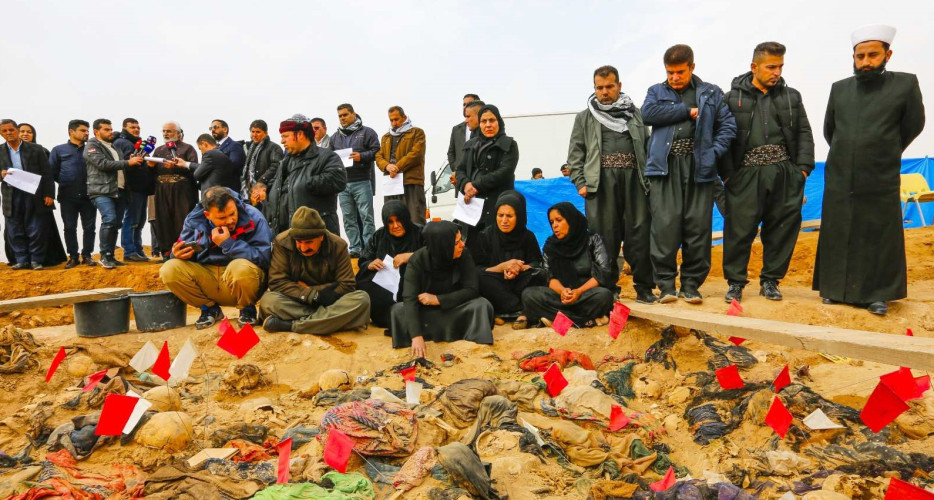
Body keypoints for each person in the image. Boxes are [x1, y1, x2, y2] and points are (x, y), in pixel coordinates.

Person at [813, 25, 926, 316]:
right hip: (840, 173)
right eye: (860, 56)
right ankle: (835, 289)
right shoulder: (840, 88)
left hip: (880, 173)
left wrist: (885, 149)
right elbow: (830, 130)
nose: (865, 62)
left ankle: (877, 294)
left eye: (872, 55)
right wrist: (848, 152)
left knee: (877, 232)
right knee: (839, 229)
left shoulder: (905, 84)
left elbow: (914, 124)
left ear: (888, 55)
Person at [720, 42, 815, 303]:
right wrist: (728, 175)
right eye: (771, 67)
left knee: (782, 228)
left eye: (780, 66)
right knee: (738, 230)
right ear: (754, 66)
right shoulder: (731, 98)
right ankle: (735, 283)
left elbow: (804, 133)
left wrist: (803, 170)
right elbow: (723, 138)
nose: (777, 72)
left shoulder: (791, 96)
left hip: (785, 172)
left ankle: (770, 281)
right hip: (745, 174)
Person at [642, 44, 736, 304]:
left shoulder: (710, 92)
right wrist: (685, 111)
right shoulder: (656, 91)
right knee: (664, 227)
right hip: (664, 169)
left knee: (698, 227)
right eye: (670, 72)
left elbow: (728, 125)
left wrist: (712, 152)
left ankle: (691, 285)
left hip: (699, 168)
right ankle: (666, 286)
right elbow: (647, 114)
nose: (674, 77)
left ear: (692, 67)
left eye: (680, 72)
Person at [568, 64, 656, 303]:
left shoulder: (635, 114)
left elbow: (648, 146)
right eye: (599, 88)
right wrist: (580, 183)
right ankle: (607, 289)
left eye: (609, 86)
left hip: (635, 182)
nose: (604, 92)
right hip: (600, 185)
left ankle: (644, 288)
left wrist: (650, 182)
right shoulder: (585, 117)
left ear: (619, 86)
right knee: (604, 238)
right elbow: (575, 154)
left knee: (639, 235)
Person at [161, 186, 272, 328]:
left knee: (240, 267)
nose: (230, 221)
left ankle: (247, 309)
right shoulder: (193, 220)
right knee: (169, 269)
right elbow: (183, 251)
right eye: (222, 218)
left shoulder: (254, 217)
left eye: (232, 213)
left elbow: (265, 257)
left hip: (241, 280)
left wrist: (229, 244)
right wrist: (176, 255)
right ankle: (209, 309)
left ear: (235, 204)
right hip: (208, 277)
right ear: (207, 215)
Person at [390, 221, 494, 359]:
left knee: (482, 305)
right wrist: (416, 336)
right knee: (397, 311)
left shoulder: (464, 254)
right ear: (443, 245)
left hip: (454, 308)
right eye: (457, 242)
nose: (462, 245)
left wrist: (438, 300)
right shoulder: (417, 260)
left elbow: (472, 289)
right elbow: (409, 298)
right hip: (426, 312)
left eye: (461, 240)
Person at [260, 207, 371, 334]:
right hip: (299, 300)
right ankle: (331, 319)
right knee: (268, 301)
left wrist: (315, 293)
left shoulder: (338, 245)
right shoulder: (282, 242)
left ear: (321, 236)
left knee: (362, 299)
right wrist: (312, 295)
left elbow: (348, 285)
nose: (303, 248)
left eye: (309, 242)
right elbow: (277, 282)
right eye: (299, 242)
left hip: (330, 302)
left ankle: (292, 325)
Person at [522, 202, 615, 328]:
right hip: (561, 296)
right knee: (529, 295)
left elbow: (603, 272)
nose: (555, 225)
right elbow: (549, 276)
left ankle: (557, 318)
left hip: (586, 294)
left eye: (559, 220)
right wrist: (562, 291)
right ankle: (584, 320)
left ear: (571, 220)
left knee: (604, 296)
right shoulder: (550, 246)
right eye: (552, 222)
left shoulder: (592, 240)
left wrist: (578, 291)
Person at [259, 114, 347, 235]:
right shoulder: (285, 162)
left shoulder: (327, 157)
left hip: (316, 235)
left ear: (300, 134)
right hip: (286, 236)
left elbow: (338, 180)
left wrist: (305, 182)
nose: (282, 141)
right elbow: (277, 185)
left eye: (285, 136)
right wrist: (265, 189)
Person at [471, 191, 544, 329]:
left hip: (520, 281)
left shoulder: (528, 236)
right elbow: (478, 268)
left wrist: (520, 268)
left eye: (509, 216)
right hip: (496, 284)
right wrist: (502, 267)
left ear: (519, 216)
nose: (504, 221)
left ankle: (503, 313)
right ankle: (523, 311)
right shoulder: (486, 235)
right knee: (479, 278)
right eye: (500, 215)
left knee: (540, 275)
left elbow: (537, 263)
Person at [84, 119, 144, 268]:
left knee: (116, 223)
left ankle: (110, 256)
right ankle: (104, 255)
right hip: (101, 191)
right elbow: (102, 164)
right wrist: (127, 163)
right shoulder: (92, 146)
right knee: (109, 219)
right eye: (106, 129)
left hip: (119, 190)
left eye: (111, 129)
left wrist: (131, 162)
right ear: (96, 132)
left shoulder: (114, 147)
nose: (110, 132)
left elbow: (122, 166)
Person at [355, 200, 424, 329]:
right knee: (362, 281)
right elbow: (363, 259)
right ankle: (385, 318)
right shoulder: (379, 235)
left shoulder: (420, 232)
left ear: (406, 219)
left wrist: (411, 256)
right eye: (390, 222)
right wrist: (370, 264)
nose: (395, 226)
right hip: (388, 287)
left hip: (414, 285)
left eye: (399, 220)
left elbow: (434, 254)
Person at [1, 119, 57, 269]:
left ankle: (36, 260)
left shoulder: (36, 149)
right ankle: (21, 260)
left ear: (17, 130)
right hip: (11, 195)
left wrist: (49, 194)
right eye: (4, 131)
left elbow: (47, 173)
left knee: (36, 228)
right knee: (14, 229)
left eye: (11, 130)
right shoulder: (0, 151)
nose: (8, 133)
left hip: (34, 194)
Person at [456, 105, 518, 231]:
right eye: (484, 121)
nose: (488, 125)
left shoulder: (509, 145)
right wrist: (466, 185)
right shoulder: (470, 145)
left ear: (499, 121)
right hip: (471, 208)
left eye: (492, 120)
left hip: (497, 206)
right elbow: (460, 170)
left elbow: (504, 172)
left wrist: (476, 186)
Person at [331, 104, 379, 258]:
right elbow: (329, 158)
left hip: (362, 181)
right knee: (348, 218)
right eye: (340, 116)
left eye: (345, 115)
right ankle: (355, 248)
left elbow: (377, 151)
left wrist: (362, 156)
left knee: (367, 217)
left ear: (354, 114)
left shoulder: (367, 132)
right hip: (343, 184)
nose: (342, 118)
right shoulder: (334, 137)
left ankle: (369, 247)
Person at [49, 120, 97, 268]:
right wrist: (67, 181)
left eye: (87, 130)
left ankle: (87, 255)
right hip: (67, 195)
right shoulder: (58, 150)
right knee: (69, 227)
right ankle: (73, 257)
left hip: (89, 194)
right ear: (71, 131)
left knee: (89, 228)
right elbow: (52, 172)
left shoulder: (92, 149)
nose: (87, 133)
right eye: (83, 130)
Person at [149, 122, 199, 260]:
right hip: (162, 189)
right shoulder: (158, 150)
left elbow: (195, 169)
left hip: (181, 190)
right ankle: (166, 253)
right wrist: (150, 166)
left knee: (181, 220)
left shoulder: (188, 148)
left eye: (169, 131)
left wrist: (176, 167)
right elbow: (152, 172)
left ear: (178, 133)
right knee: (163, 220)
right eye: (164, 131)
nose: (166, 134)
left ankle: (183, 252)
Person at [376, 106, 427, 223]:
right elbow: (378, 156)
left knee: (415, 218)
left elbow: (416, 154)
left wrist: (397, 167)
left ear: (404, 117)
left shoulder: (417, 132)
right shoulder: (385, 137)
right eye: (391, 120)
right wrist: (387, 166)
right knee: (392, 219)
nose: (394, 123)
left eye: (396, 119)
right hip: (391, 184)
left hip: (411, 182)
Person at [112, 118, 154, 262]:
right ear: (124, 128)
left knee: (139, 221)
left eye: (138, 127)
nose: (136, 129)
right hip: (131, 187)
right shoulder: (121, 142)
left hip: (141, 187)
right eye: (132, 127)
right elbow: (123, 163)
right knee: (131, 219)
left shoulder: (136, 144)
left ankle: (138, 250)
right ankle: (129, 251)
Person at [242, 120, 284, 207]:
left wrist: (261, 181)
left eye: (258, 132)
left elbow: (276, 166)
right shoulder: (249, 148)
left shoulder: (274, 147)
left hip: (267, 190)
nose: (254, 135)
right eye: (252, 132)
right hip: (249, 191)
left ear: (266, 133)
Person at [447, 94, 480, 170]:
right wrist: (456, 169)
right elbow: (451, 153)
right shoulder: (456, 129)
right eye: (464, 104)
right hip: (460, 174)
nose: (465, 107)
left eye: (469, 104)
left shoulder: (485, 128)